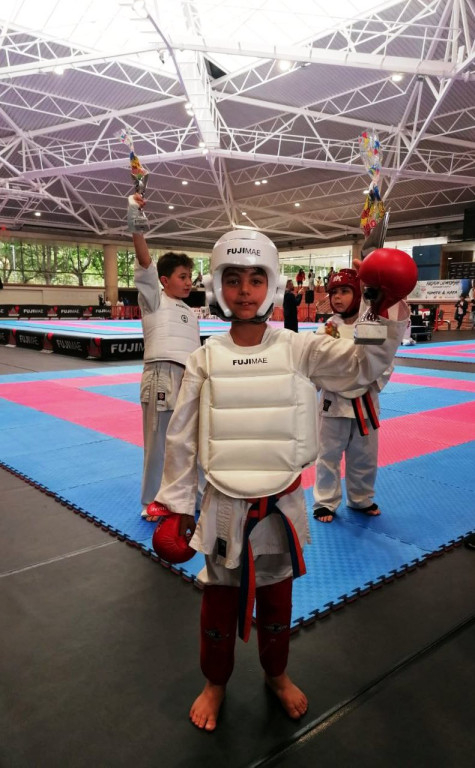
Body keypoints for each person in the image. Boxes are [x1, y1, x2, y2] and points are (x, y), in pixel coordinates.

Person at [151, 229, 411, 732]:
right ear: (217, 286)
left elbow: (359, 373)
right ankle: (215, 681)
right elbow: (182, 438)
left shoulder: (298, 348)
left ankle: (276, 673)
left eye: (255, 279)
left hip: (281, 500)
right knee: (219, 602)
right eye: (232, 279)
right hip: (224, 502)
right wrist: (178, 506)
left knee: (276, 600)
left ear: (271, 285)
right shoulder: (203, 358)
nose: (244, 290)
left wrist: (381, 311)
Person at [128, 192, 202, 520]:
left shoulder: (191, 312)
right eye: (182, 277)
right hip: (161, 375)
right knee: (157, 445)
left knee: (188, 442)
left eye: (190, 276)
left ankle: (187, 497)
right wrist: (136, 221)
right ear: (163, 280)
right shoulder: (153, 300)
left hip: (189, 379)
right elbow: (144, 261)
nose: (189, 282)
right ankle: (151, 502)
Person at [312, 269, 393, 523]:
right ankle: (325, 502)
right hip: (333, 402)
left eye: (344, 291)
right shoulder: (329, 327)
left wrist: (369, 382)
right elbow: (319, 360)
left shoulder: (370, 325)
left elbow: (384, 359)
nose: (337, 297)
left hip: (365, 401)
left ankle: (361, 498)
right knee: (327, 455)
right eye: (333, 292)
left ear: (358, 294)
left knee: (364, 456)